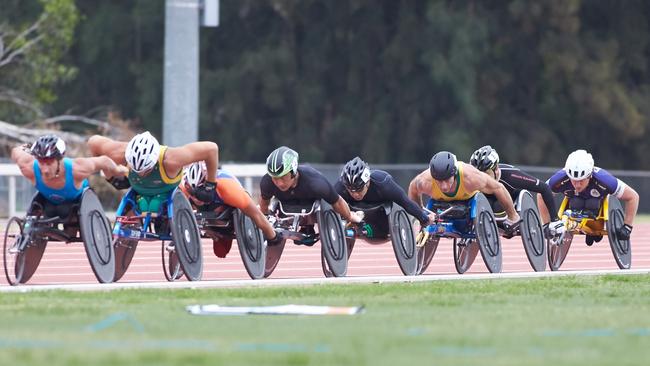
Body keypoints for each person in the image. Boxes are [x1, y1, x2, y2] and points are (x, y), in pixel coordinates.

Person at [88, 131, 221, 216]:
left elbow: (211, 149)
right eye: (136, 169)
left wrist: (210, 185)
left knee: (155, 206)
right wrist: (109, 175)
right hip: (138, 190)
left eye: (145, 170)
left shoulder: (172, 159)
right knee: (137, 206)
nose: (141, 174)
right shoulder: (119, 153)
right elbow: (94, 142)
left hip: (166, 190)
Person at [259, 146, 363, 245]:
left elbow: (337, 201)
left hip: (312, 207)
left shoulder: (316, 183)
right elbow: (264, 206)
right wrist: (264, 223)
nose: (279, 183)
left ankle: (308, 226)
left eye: (283, 177)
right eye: (275, 178)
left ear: (293, 171)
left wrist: (349, 216)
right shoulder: (267, 182)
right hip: (285, 207)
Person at [11, 134, 126, 223]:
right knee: (49, 210)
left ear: (59, 159)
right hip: (48, 204)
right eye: (41, 162)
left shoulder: (77, 168)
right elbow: (16, 151)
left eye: (49, 163)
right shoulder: (28, 166)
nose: (45, 170)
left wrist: (116, 170)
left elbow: (104, 161)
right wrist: (27, 147)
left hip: (77, 203)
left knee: (65, 211)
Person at [537, 149, 639, 245]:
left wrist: (627, 226)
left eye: (581, 180)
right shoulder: (559, 179)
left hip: (596, 209)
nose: (577, 185)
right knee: (576, 202)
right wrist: (546, 224)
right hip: (573, 204)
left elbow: (633, 197)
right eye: (574, 180)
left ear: (590, 175)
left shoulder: (604, 179)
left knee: (592, 203)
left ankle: (592, 227)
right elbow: (541, 195)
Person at [180, 161, 280, 257]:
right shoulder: (183, 190)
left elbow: (256, 214)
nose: (196, 198)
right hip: (209, 215)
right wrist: (203, 228)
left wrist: (273, 237)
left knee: (221, 251)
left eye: (199, 194)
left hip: (230, 208)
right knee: (220, 252)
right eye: (193, 194)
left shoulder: (227, 188)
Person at [407, 151, 521, 230]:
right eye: (439, 181)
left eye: (447, 180)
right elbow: (413, 189)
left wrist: (512, 216)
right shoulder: (424, 181)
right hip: (440, 202)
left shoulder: (471, 177)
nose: (444, 186)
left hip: (469, 199)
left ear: (455, 173)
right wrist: (419, 213)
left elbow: (498, 187)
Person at [469, 145, 564, 239]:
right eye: (479, 174)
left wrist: (554, 220)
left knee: (497, 205)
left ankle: (510, 219)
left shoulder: (511, 175)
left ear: (496, 168)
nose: (483, 178)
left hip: (510, 201)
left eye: (487, 173)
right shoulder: (472, 179)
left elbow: (544, 188)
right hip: (488, 207)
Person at [335, 156, 435, 238]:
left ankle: (365, 229)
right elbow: (327, 204)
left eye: (359, 189)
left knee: (375, 231)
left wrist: (424, 219)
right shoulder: (341, 187)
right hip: (353, 215)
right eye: (350, 190)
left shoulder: (383, 184)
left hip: (381, 218)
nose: (355, 194)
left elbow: (405, 202)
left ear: (367, 182)